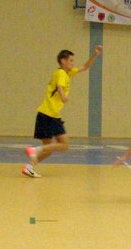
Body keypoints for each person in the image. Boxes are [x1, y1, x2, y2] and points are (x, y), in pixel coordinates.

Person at [22, 45, 102, 178]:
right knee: (64, 145)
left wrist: (96, 54)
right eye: (71, 61)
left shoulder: (67, 73)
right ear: (63, 61)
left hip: (50, 115)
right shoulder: (61, 74)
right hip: (48, 115)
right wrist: (63, 96)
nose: (73, 63)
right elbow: (60, 86)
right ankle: (34, 150)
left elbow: (85, 67)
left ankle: (29, 166)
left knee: (50, 149)